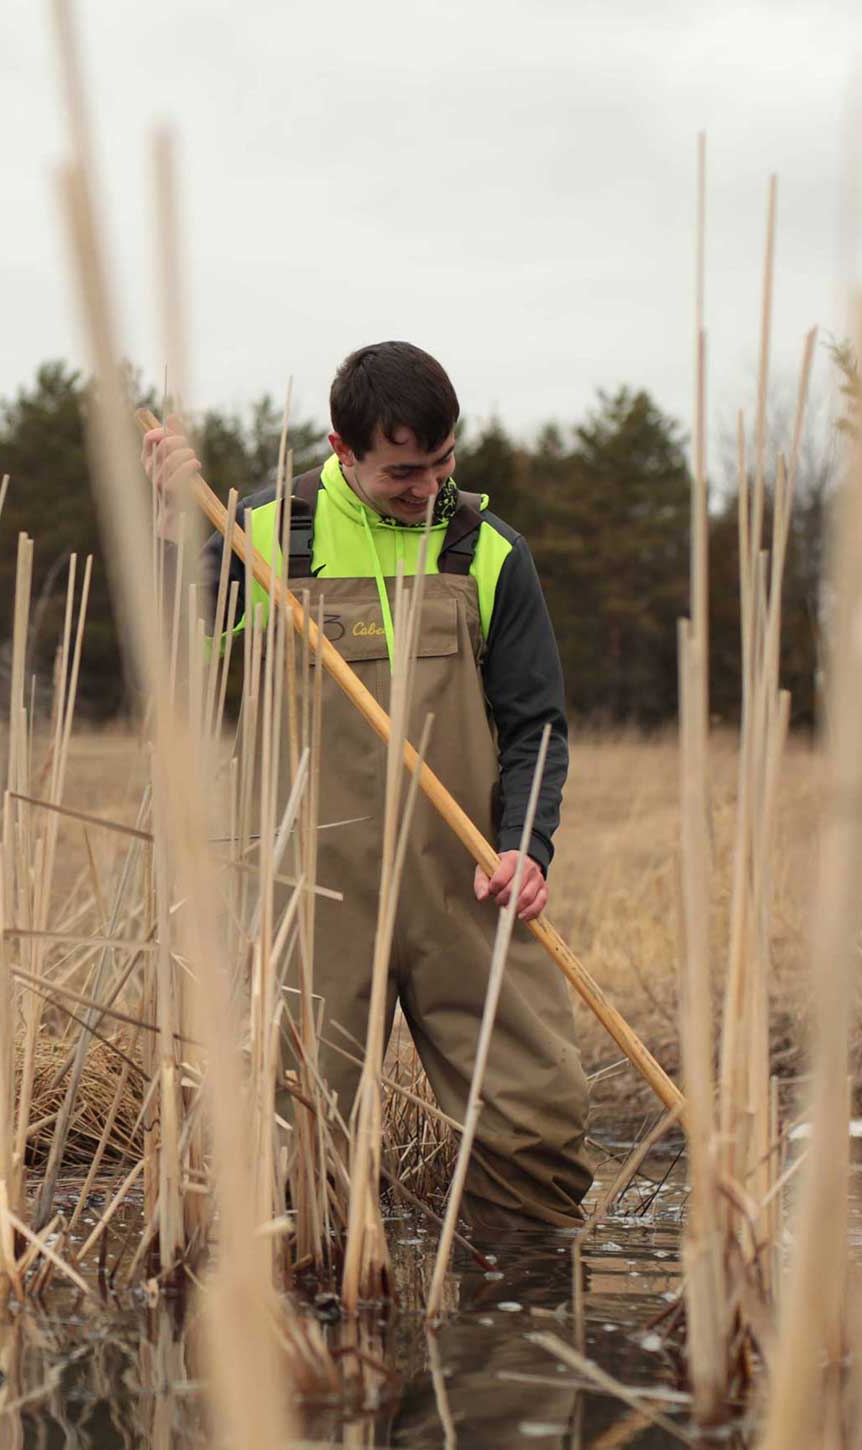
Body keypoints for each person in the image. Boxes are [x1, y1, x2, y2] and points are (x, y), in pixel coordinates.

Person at [142, 341, 591, 1228]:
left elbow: (536, 723)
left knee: (537, 1124)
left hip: (465, 883)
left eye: (444, 461)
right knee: (291, 1147)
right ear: (343, 451)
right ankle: (314, 1326)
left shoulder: (491, 550)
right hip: (313, 890)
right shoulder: (261, 532)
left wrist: (524, 846)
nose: (430, 486)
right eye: (403, 471)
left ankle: (518, 1319)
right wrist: (172, 531)